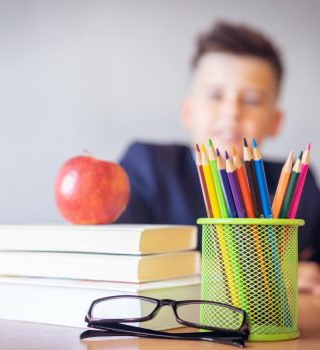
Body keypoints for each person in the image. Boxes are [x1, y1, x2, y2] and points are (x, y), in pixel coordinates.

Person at [117, 21, 320, 295]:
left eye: (251, 100)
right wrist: (266, 275)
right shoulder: (148, 164)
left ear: (275, 121)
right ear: (187, 111)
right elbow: (119, 259)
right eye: (215, 95)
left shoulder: (299, 184)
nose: (231, 111)